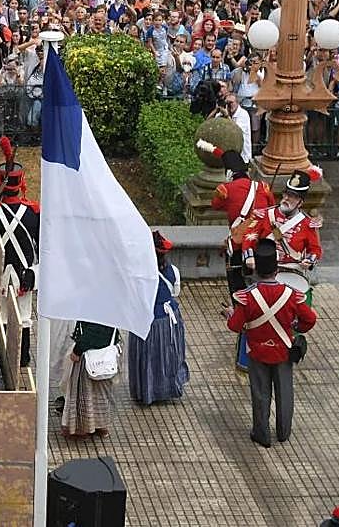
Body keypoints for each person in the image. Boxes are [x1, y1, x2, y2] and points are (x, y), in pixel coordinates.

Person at [225, 240, 317, 447]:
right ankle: (283, 432)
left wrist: (230, 314)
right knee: (285, 392)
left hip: (257, 351)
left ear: (256, 269)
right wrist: (296, 327)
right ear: (276, 270)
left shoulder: (247, 297)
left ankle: (262, 433)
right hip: (284, 350)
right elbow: (310, 319)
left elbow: (235, 326)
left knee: (260, 393)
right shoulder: (292, 294)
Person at [0, 136, 39, 366]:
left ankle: (5, 356)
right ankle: (23, 358)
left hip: (2, 272)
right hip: (25, 272)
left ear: (0, 183)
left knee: (3, 316)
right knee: (24, 316)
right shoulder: (34, 212)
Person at [200, 143, 274, 298]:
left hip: (238, 242)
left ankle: (238, 304)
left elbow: (215, 205)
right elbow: (271, 208)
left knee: (236, 278)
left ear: (229, 173)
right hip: (262, 240)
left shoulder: (225, 189)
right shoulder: (264, 187)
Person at [128, 231, 189, 405]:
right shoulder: (173, 271)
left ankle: (145, 391)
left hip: (144, 319)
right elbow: (175, 292)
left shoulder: (138, 272)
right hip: (168, 318)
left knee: (146, 356)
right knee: (167, 354)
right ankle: (166, 388)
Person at [241, 168, 323, 272]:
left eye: (293, 196)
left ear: (300, 203)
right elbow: (249, 237)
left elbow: (315, 249)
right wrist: (249, 256)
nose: (287, 198)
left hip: (291, 269)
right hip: (264, 268)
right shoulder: (264, 215)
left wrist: (309, 260)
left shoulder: (307, 224)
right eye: (286, 194)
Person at [61, 320, 119, 438]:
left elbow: (91, 333)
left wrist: (77, 350)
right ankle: (102, 426)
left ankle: (83, 428)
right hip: (106, 359)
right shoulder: (113, 309)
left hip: (88, 359)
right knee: (102, 396)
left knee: (83, 394)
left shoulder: (93, 310)